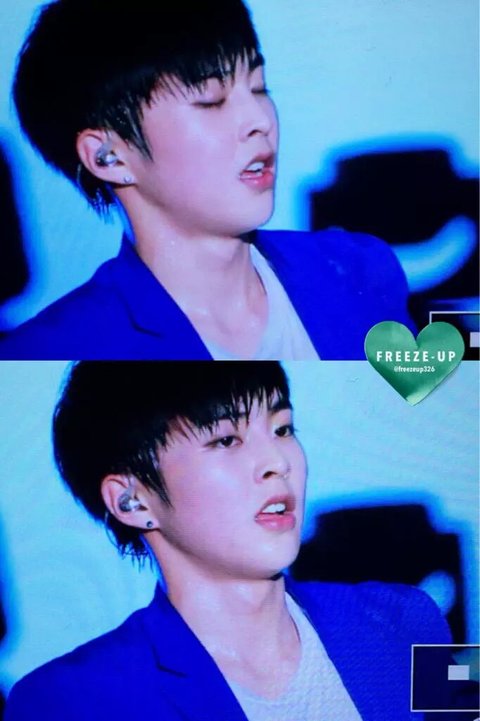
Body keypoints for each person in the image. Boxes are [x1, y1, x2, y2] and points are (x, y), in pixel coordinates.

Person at [5, 361, 453, 721]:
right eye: (225, 440)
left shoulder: (409, 618)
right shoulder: (66, 702)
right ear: (132, 500)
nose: (277, 461)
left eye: (282, 428)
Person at [0, 0, 413, 360]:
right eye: (211, 101)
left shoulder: (356, 270)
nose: (259, 119)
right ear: (109, 156)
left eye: (259, 87)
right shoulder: (51, 350)